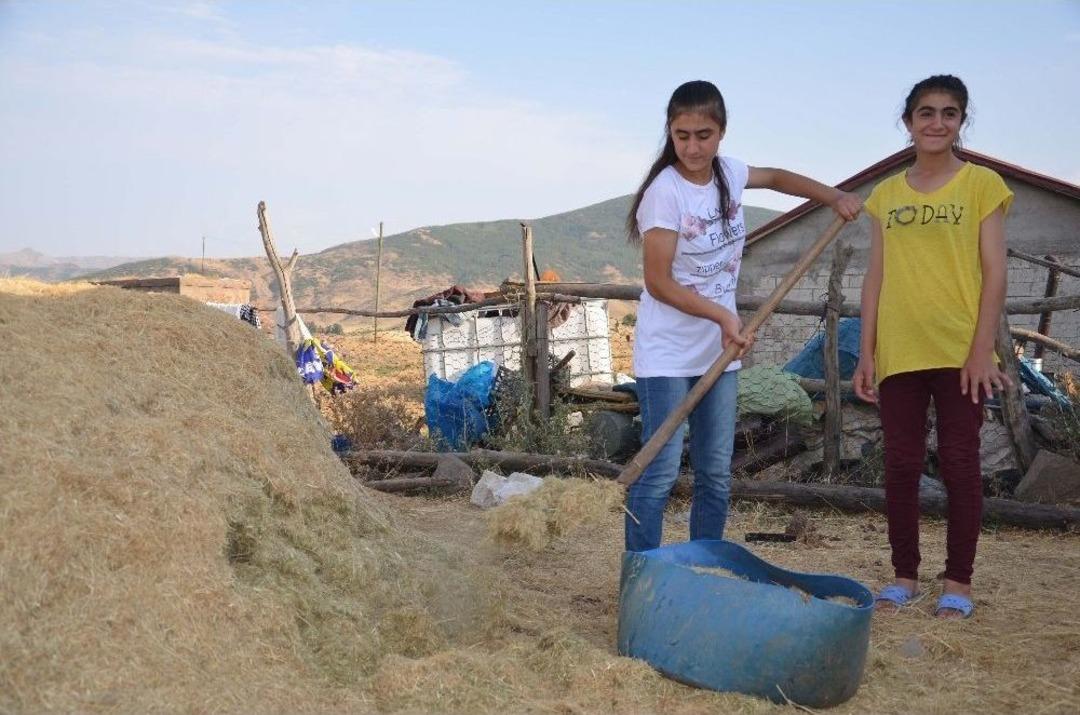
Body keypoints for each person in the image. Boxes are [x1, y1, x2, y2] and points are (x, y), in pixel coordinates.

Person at [624, 80, 861, 553]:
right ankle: (643, 575)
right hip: (668, 353)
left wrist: (833, 196)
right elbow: (659, 282)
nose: (693, 147)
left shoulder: (729, 174)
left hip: (720, 351)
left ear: (722, 132)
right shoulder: (664, 194)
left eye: (704, 135)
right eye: (682, 135)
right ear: (670, 133)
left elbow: (775, 178)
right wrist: (721, 315)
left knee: (715, 472)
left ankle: (704, 565)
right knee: (659, 472)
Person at [853, 75, 1013, 619]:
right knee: (900, 464)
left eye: (949, 113)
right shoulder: (885, 196)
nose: (937, 122)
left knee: (960, 462)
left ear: (961, 121)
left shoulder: (982, 185)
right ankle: (904, 576)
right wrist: (867, 352)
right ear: (909, 122)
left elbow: (995, 272)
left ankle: (958, 583)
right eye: (926, 112)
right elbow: (875, 277)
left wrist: (981, 349)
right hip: (901, 349)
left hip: (961, 351)